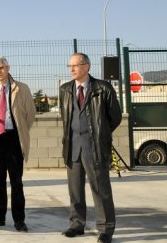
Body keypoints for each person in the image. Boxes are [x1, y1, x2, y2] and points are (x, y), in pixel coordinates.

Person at [59, 53, 122, 243]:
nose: (71, 69)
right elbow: (65, 117)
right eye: (69, 65)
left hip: (94, 147)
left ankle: (105, 230)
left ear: (86, 66)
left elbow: (115, 116)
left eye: (75, 65)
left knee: (100, 189)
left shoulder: (103, 88)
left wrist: (100, 134)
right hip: (72, 147)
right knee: (75, 189)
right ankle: (77, 224)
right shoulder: (65, 89)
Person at [0, 56, 35, 232]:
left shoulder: (22, 89)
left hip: (14, 139)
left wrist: (19, 130)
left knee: (16, 181)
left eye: (1, 68)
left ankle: (19, 220)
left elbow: (30, 114)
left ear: (8, 68)